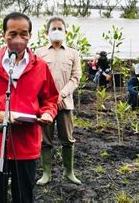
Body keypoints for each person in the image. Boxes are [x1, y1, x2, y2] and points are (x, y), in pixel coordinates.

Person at [0, 12, 58, 203]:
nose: (18, 39)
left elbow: (50, 99)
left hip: (26, 143)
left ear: (30, 36)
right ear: (3, 34)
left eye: (23, 34)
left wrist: (47, 113)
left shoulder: (40, 67)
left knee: (24, 197)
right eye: (12, 34)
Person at [35, 17, 82, 186]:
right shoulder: (39, 53)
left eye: (60, 28)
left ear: (65, 32)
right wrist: (51, 98)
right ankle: (46, 173)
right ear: (47, 32)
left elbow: (76, 77)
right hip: (45, 106)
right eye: (53, 28)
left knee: (67, 139)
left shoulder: (73, 53)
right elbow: (36, 78)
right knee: (45, 140)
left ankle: (69, 172)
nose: (56, 31)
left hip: (65, 104)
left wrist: (61, 95)